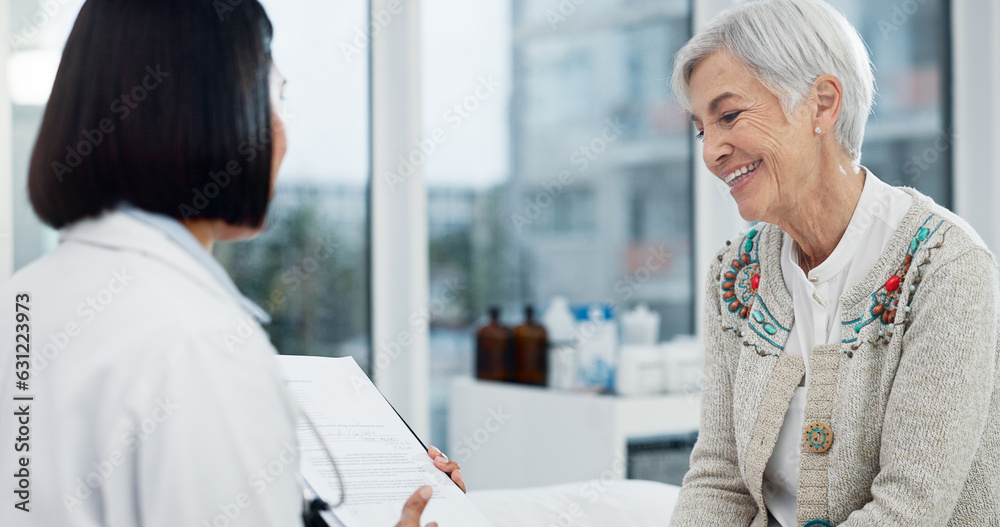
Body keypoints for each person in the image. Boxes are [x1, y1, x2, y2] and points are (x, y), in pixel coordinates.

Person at [0, 1, 459, 526]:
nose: (284, 131)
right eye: (275, 97)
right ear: (213, 111)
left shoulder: (25, 294)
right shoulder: (199, 342)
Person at [667, 0, 999, 525]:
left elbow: (909, 508)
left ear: (822, 103)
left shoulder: (944, 266)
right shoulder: (735, 275)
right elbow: (719, 477)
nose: (711, 152)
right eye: (702, 128)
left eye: (728, 115)